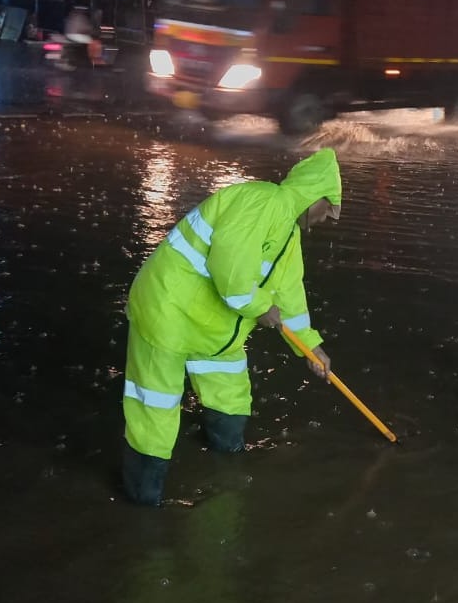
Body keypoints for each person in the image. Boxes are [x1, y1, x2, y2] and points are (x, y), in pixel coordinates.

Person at [121, 148, 343, 506]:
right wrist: (259, 307)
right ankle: (143, 502)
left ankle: (228, 468)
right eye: (329, 206)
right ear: (313, 195)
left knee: (231, 398)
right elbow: (230, 270)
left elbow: (290, 296)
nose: (330, 218)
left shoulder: (289, 235)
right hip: (168, 313)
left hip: (215, 329)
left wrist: (309, 346)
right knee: (156, 407)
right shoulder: (261, 201)